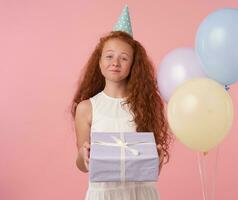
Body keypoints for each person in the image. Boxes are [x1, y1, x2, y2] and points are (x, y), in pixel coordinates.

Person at [70, 5, 172, 200]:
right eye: (109, 56)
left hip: (142, 194)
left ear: (133, 65)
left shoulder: (147, 105)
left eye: (124, 58)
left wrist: (156, 160)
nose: (115, 63)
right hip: (103, 194)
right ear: (99, 62)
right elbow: (82, 165)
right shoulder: (87, 108)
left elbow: (151, 169)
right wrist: (84, 157)